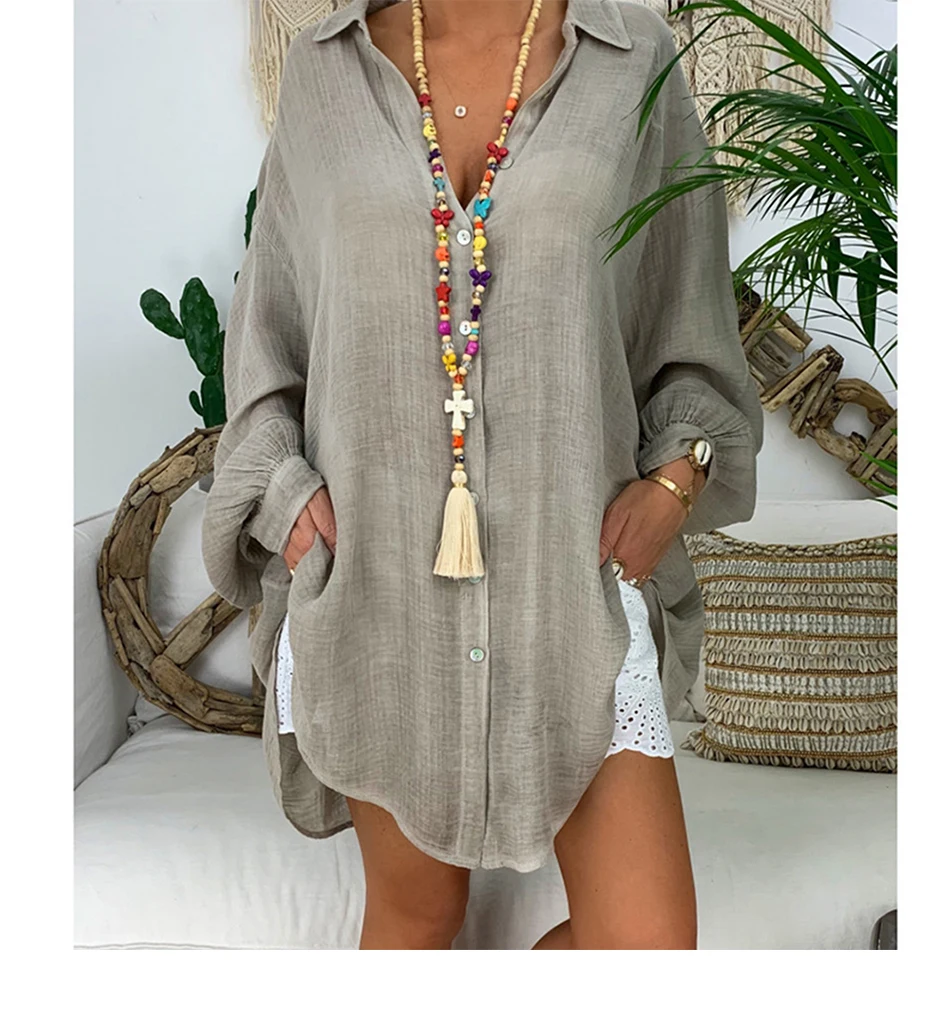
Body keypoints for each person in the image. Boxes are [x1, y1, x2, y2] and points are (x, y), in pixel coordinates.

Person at [201, 0, 763, 950]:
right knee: (416, 920)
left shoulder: (633, 61)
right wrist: (286, 502)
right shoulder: (325, 72)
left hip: (572, 588)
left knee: (648, 950)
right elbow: (269, 336)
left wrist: (674, 482)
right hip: (378, 595)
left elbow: (689, 313)